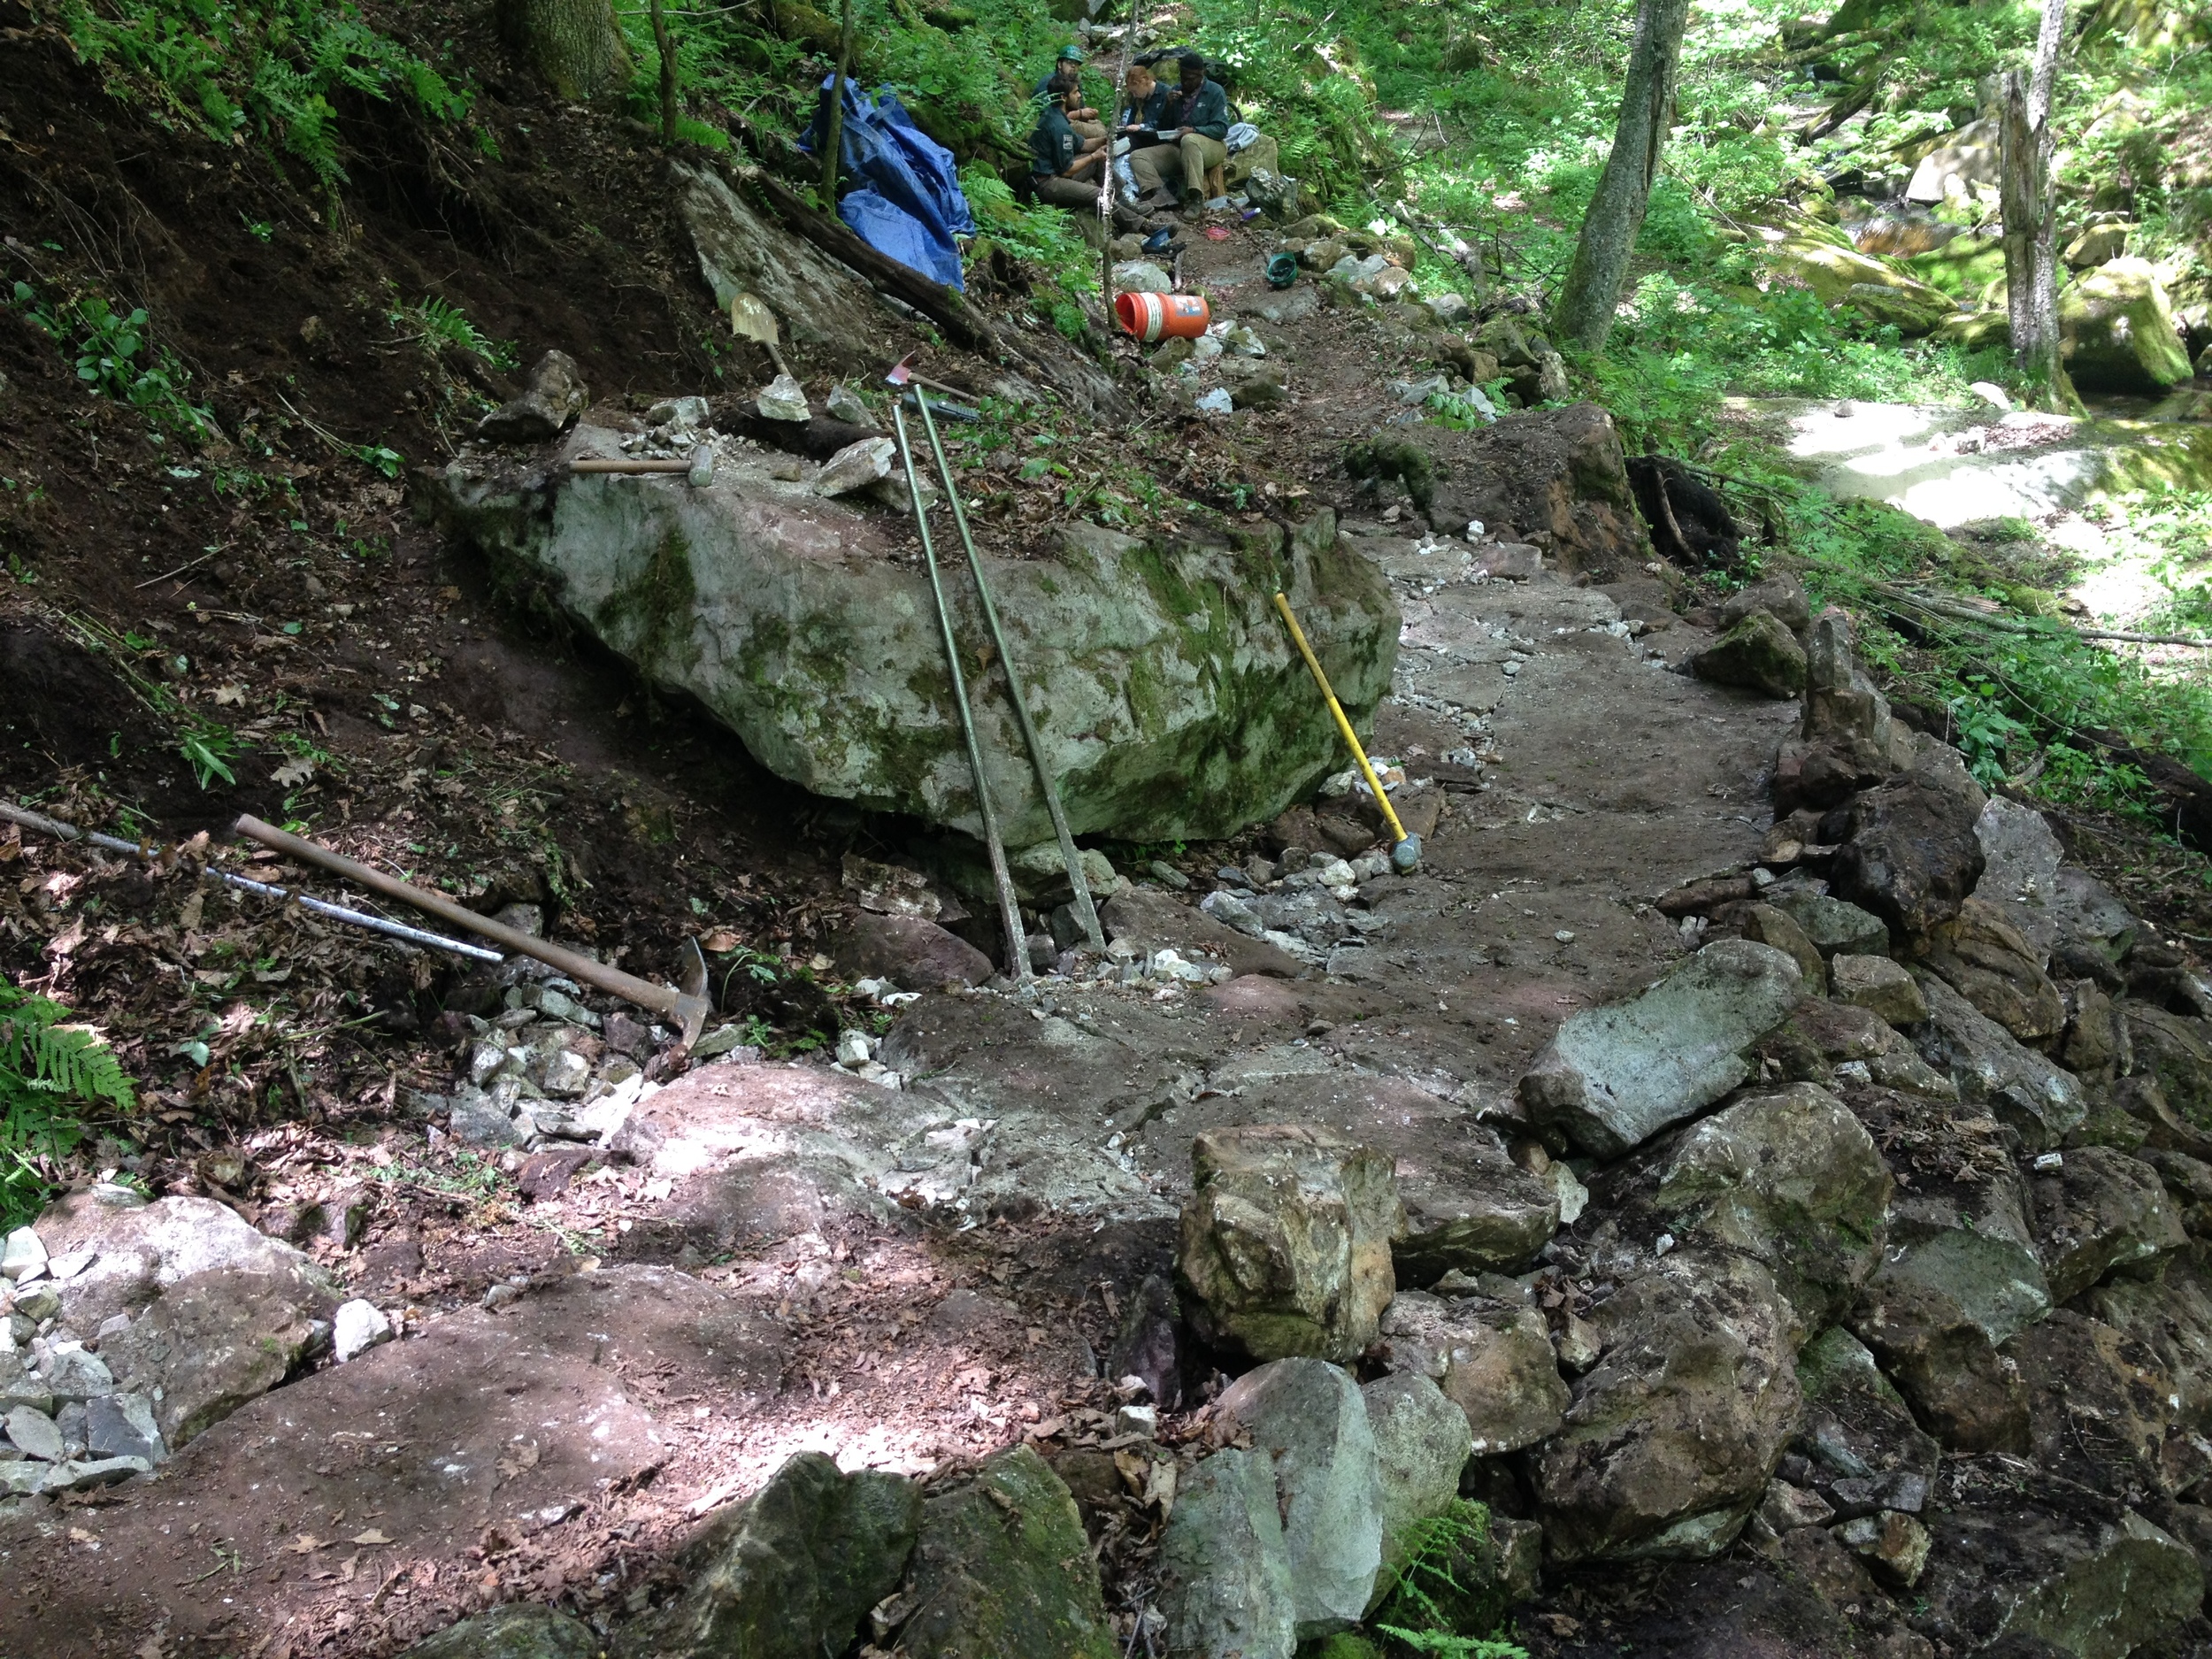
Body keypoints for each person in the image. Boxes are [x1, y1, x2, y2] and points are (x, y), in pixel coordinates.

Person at [1127, 53, 1230, 213]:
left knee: (1189, 140)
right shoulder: (1176, 90)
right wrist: (1168, 105)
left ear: (1201, 74)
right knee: (1137, 157)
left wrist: (1195, 130)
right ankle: (1161, 194)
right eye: (1182, 78)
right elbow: (1163, 126)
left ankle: (1196, 198)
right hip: (1180, 147)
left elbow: (1222, 129)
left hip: (1211, 146)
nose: (1185, 83)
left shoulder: (1215, 92)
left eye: (1189, 79)